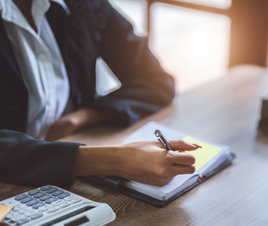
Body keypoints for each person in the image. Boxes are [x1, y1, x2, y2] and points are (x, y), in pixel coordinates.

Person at [0, 0, 198, 187]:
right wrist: (113, 160)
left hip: (77, 163)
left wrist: (81, 118)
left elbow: (156, 81)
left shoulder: (84, 5)